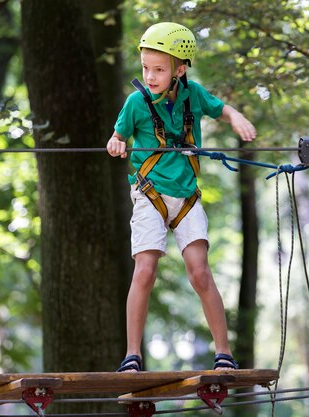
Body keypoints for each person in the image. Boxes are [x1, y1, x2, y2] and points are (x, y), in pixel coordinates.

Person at [107, 22, 256, 373]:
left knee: (200, 272)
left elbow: (223, 109)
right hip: (150, 195)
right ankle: (132, 355)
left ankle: (224, 354)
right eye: (146, 68)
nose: (150, 75)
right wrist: (116, 144)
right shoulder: (135, 103)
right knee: (144, 270)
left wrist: (237, 119)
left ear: (180, 69)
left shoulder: (194, 95)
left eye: (159, 69)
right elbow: (117, 137)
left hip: (187, 197)